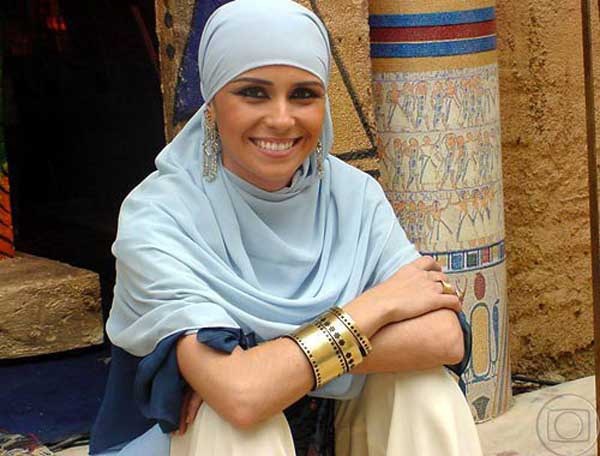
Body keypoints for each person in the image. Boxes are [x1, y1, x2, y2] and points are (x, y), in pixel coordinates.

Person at [89, 1, 483, 455]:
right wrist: (376, 307)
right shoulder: (160, 216)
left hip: (331, 432)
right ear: (212, 104)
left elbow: (444, 337)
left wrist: (266, 363)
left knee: (423, 388)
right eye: (253, 93)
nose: (281, 119)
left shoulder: (352, 197)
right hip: (190, 444)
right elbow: (242, 396)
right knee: (235, 420)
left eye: (303, 94)